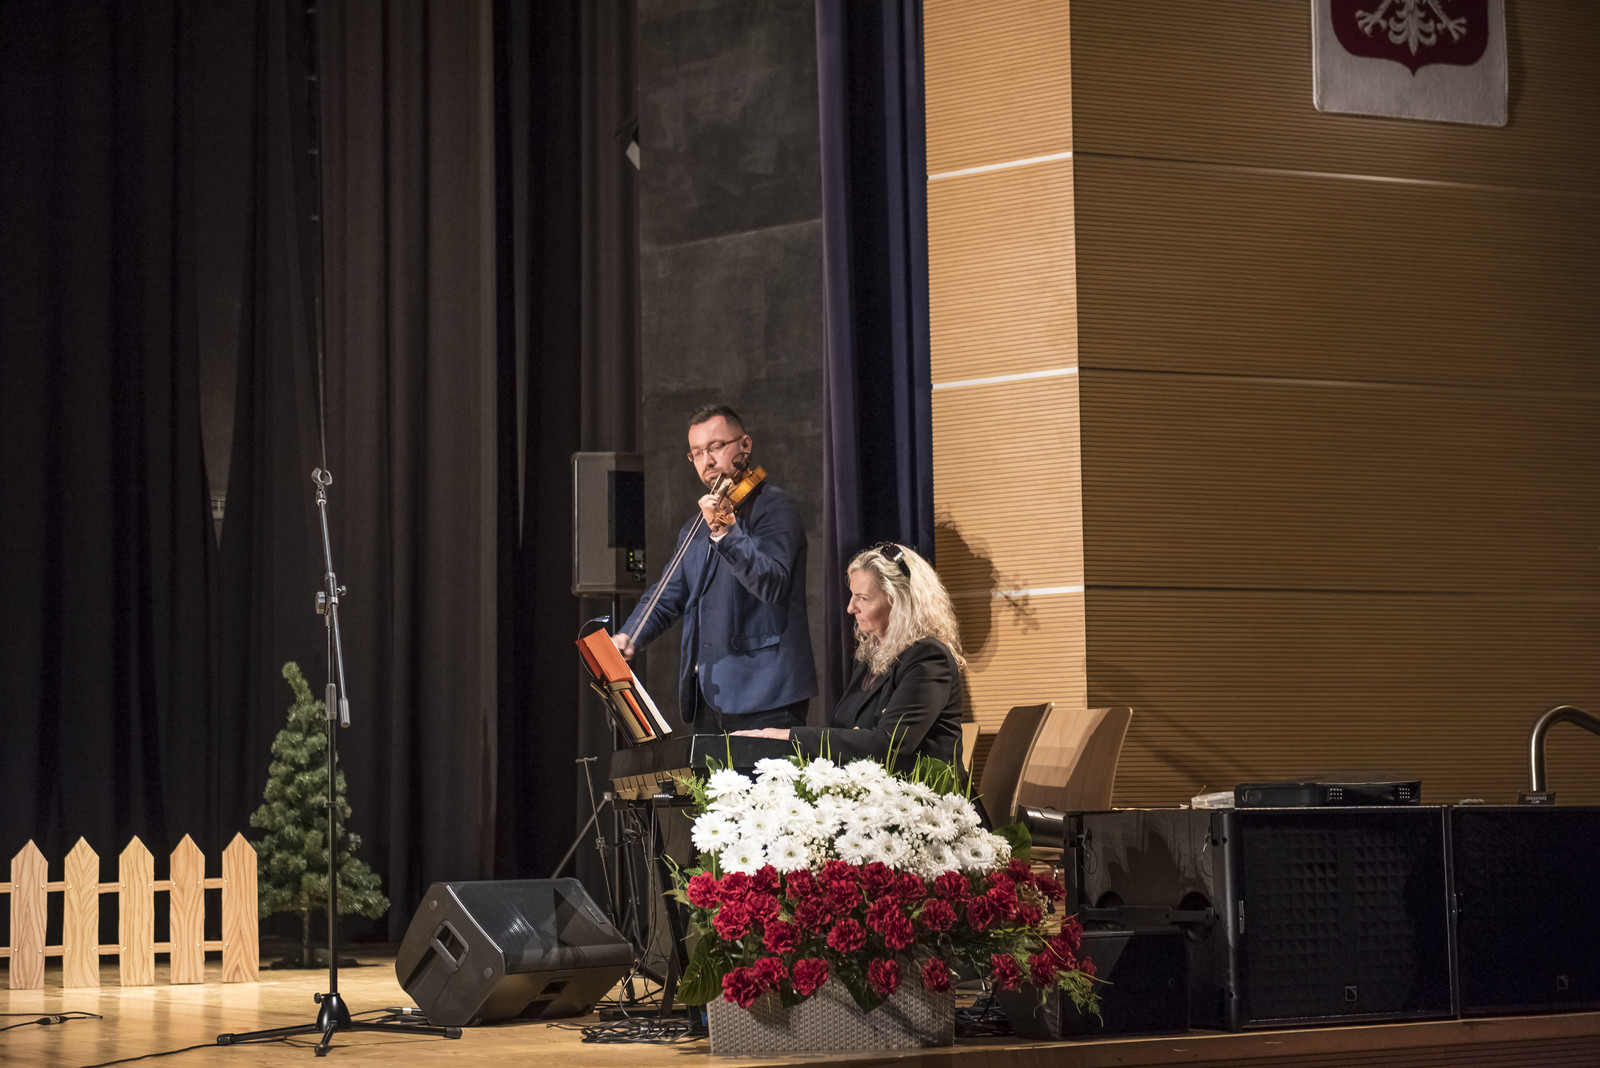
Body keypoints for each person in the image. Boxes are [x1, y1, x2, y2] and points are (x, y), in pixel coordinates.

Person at [612, 404, 817, 731]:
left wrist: (725, 531)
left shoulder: (775, 508)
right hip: (708, 697)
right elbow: (665, 597)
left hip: (765, 695)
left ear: (744, 445)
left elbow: (771, 583)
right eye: (696, 453)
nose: (707, 460)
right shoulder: (693, 528)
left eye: (716, 446)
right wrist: (629, 635)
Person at [735, 542, 964, 768]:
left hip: (920, 790)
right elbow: (846, 733)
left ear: (899, 602)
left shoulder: (928, 657)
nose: (851, 608)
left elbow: (890, 745)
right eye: (853, 595)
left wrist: (791, 737)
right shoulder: (871, 656)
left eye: (863, 598)